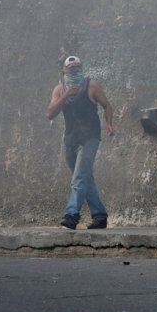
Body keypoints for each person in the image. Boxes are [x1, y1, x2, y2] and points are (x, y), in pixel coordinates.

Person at [47, 55, 115, 229]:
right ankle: (100, 216)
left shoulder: (91, 85)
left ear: (82, 68)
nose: (75, 70)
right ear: (64, 70)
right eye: (71, 68)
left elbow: (107, 105)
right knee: (84, 178)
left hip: (90, 137)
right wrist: (65, 95)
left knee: (79, 178)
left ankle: (71, 215)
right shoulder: (59, 89)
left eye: (77, 67)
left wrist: (108, 123)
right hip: (70, 139)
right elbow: (50, 114)